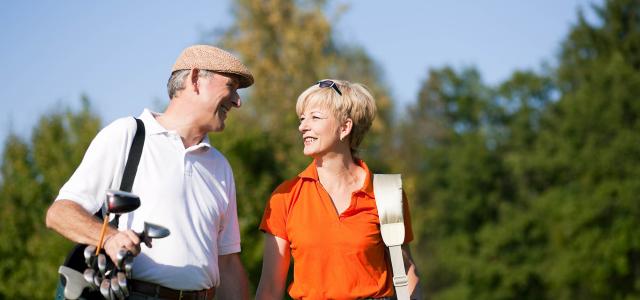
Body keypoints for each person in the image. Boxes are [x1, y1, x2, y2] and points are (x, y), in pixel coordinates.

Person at [46, 44, 253, 300]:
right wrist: (110, 238)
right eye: (231, 86)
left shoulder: (220, 166)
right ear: (196, 79)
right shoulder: (128, 134)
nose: (237, 101)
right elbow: (60, 213)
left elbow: (228, 264)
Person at [256, 79, 421, 300]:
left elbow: (406, 271)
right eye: (302, 119)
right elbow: (269, 289)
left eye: (315, 117)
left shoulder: (387, 193)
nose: (303, 126)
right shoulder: (284, 197)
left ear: (345, 127)